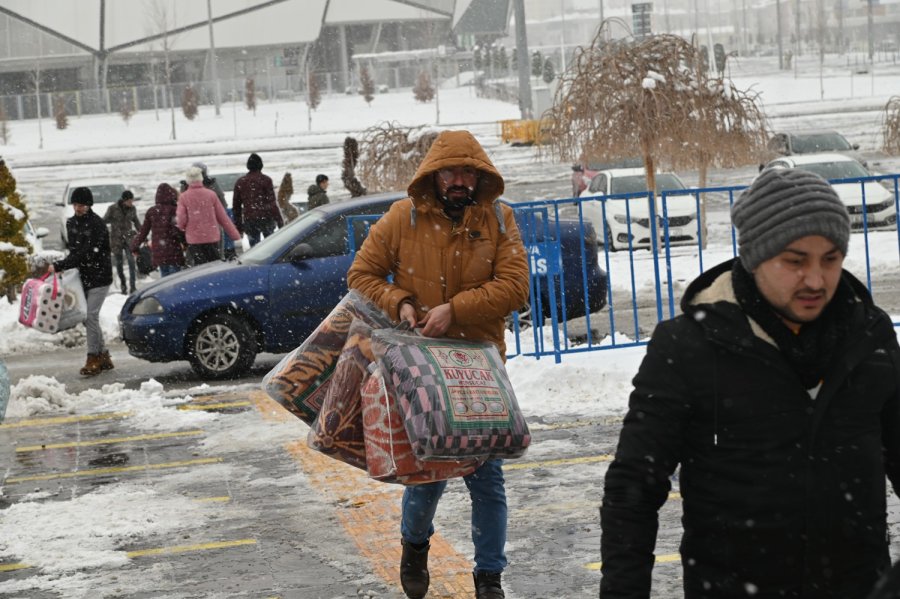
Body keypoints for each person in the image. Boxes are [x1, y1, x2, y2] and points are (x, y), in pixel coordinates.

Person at [599, 167, 900, 599]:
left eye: (831, 259)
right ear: (755, 256)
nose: (816, 280)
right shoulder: (688, 347)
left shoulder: (868, 336)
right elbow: (633, 490)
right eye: (795, 261)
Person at [347, 130, 530, 599]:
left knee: (487, 479)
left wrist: (458, 309)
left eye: (469, 172)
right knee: (428, 473)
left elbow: (515, 287)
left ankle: (489, 578)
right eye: (451, 171)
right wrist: (400, 301)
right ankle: (414, 545)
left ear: (480, 176)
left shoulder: (499, 219)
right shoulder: (402, 218)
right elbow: (361, 274)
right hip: (420, 367)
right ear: (434, 174)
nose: (460, 180)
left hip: (478, 369)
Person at [50, 187, 114, 376]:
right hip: (84, 277)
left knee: (90, 316)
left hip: (100, 277)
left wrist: (60, 265)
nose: (78, 208)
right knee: (89, 319)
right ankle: (103, 356)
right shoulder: (71, 223)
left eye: (82, 205)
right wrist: (66, 265)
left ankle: (93, 357)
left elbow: (87, 253)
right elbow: (75, 252)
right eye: (76, 205)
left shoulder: (98, 225)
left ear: (89, 205)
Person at [177, 166, 241, 266]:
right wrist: (234, 234)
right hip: (212, 236)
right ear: (201, 178)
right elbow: (222, 217)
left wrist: (182, 227)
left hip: (194, 239)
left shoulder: (184, 197)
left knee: (200, 266)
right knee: (214, 264)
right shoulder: (211, 194)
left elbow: (181, 218)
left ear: (188, 180)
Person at [131, 183, 186, 277]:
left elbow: (143, 231)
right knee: (175, 280)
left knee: (165, 279)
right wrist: (185, 243)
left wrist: (134, 246)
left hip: (159, 252)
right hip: (174, 251)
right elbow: (178, 230)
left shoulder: (152, 211)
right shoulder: (174, 210)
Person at [232, 152, 283, 247]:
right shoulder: (266, 180)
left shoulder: (240, 182)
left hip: (250, 220)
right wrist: (280, 221)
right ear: (261, 165)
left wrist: (239, 226)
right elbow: (272, 203)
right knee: (271, 247)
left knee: (254, 248)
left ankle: (255, 261)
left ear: (248, 166)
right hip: (266, 218)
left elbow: (236, 207)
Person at [103, 189, 141, 294]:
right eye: (129, 201)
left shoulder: (132, 209)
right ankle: (123, 285)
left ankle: (133, 287)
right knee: (119, 265)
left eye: (132, 200)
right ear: (124, 200)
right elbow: (104, 221)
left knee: (131, 262)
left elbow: (136, 221)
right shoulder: (112, 208)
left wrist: (142, 234)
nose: (131, 203)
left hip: (129, 239)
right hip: (116, 239)